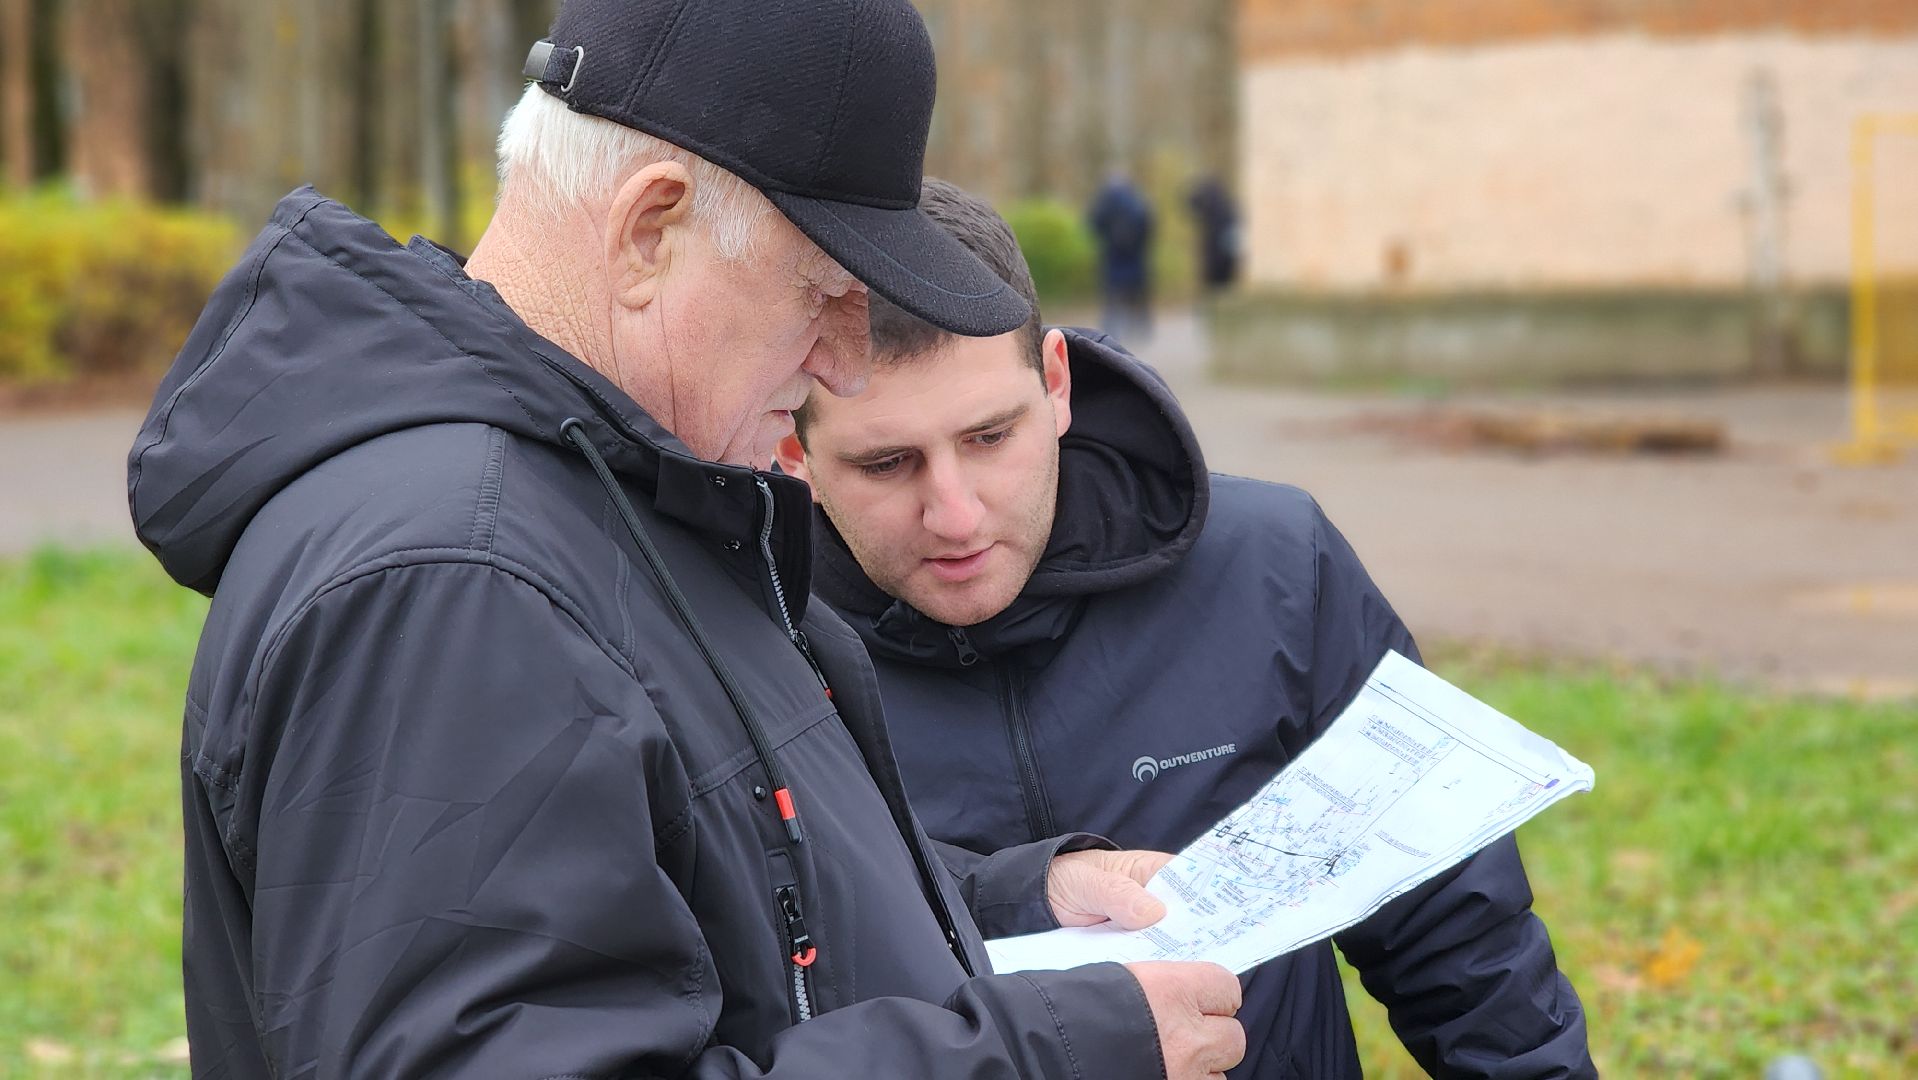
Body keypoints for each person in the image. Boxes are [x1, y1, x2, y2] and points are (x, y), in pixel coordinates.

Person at [126, 3, 1246, 1077]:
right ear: (649, 231)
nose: (842, 367)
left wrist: (1003, 909)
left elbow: (696, 884)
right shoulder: (456, 584)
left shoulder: (612, 499)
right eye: (821, 295)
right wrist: (1042, 1056)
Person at [775, 179, 1598, 1080]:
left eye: (989, 437)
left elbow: (1460, 939)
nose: (958, 515)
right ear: (794, 451)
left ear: (1055, 383)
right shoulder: (747, 651)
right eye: (888, 464)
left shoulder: (1276, 570)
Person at [1087, 169, 1155, 340]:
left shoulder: (1106, 201)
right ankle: (1141, 328)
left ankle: (1111, 331)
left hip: (1113, 257)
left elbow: (1094, 222)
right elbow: (1148, 224)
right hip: (1135, 257)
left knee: (1113, 293)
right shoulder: (1137, 201)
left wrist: (1106, 239)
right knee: (1138, 292)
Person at [1184, 174, 1241, 294]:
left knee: (1214, 285)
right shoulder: (1227, 204)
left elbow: (1190, 202)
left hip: (1216, 252)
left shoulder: (1212, 202)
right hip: (1224, 253)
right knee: (1222, 286)